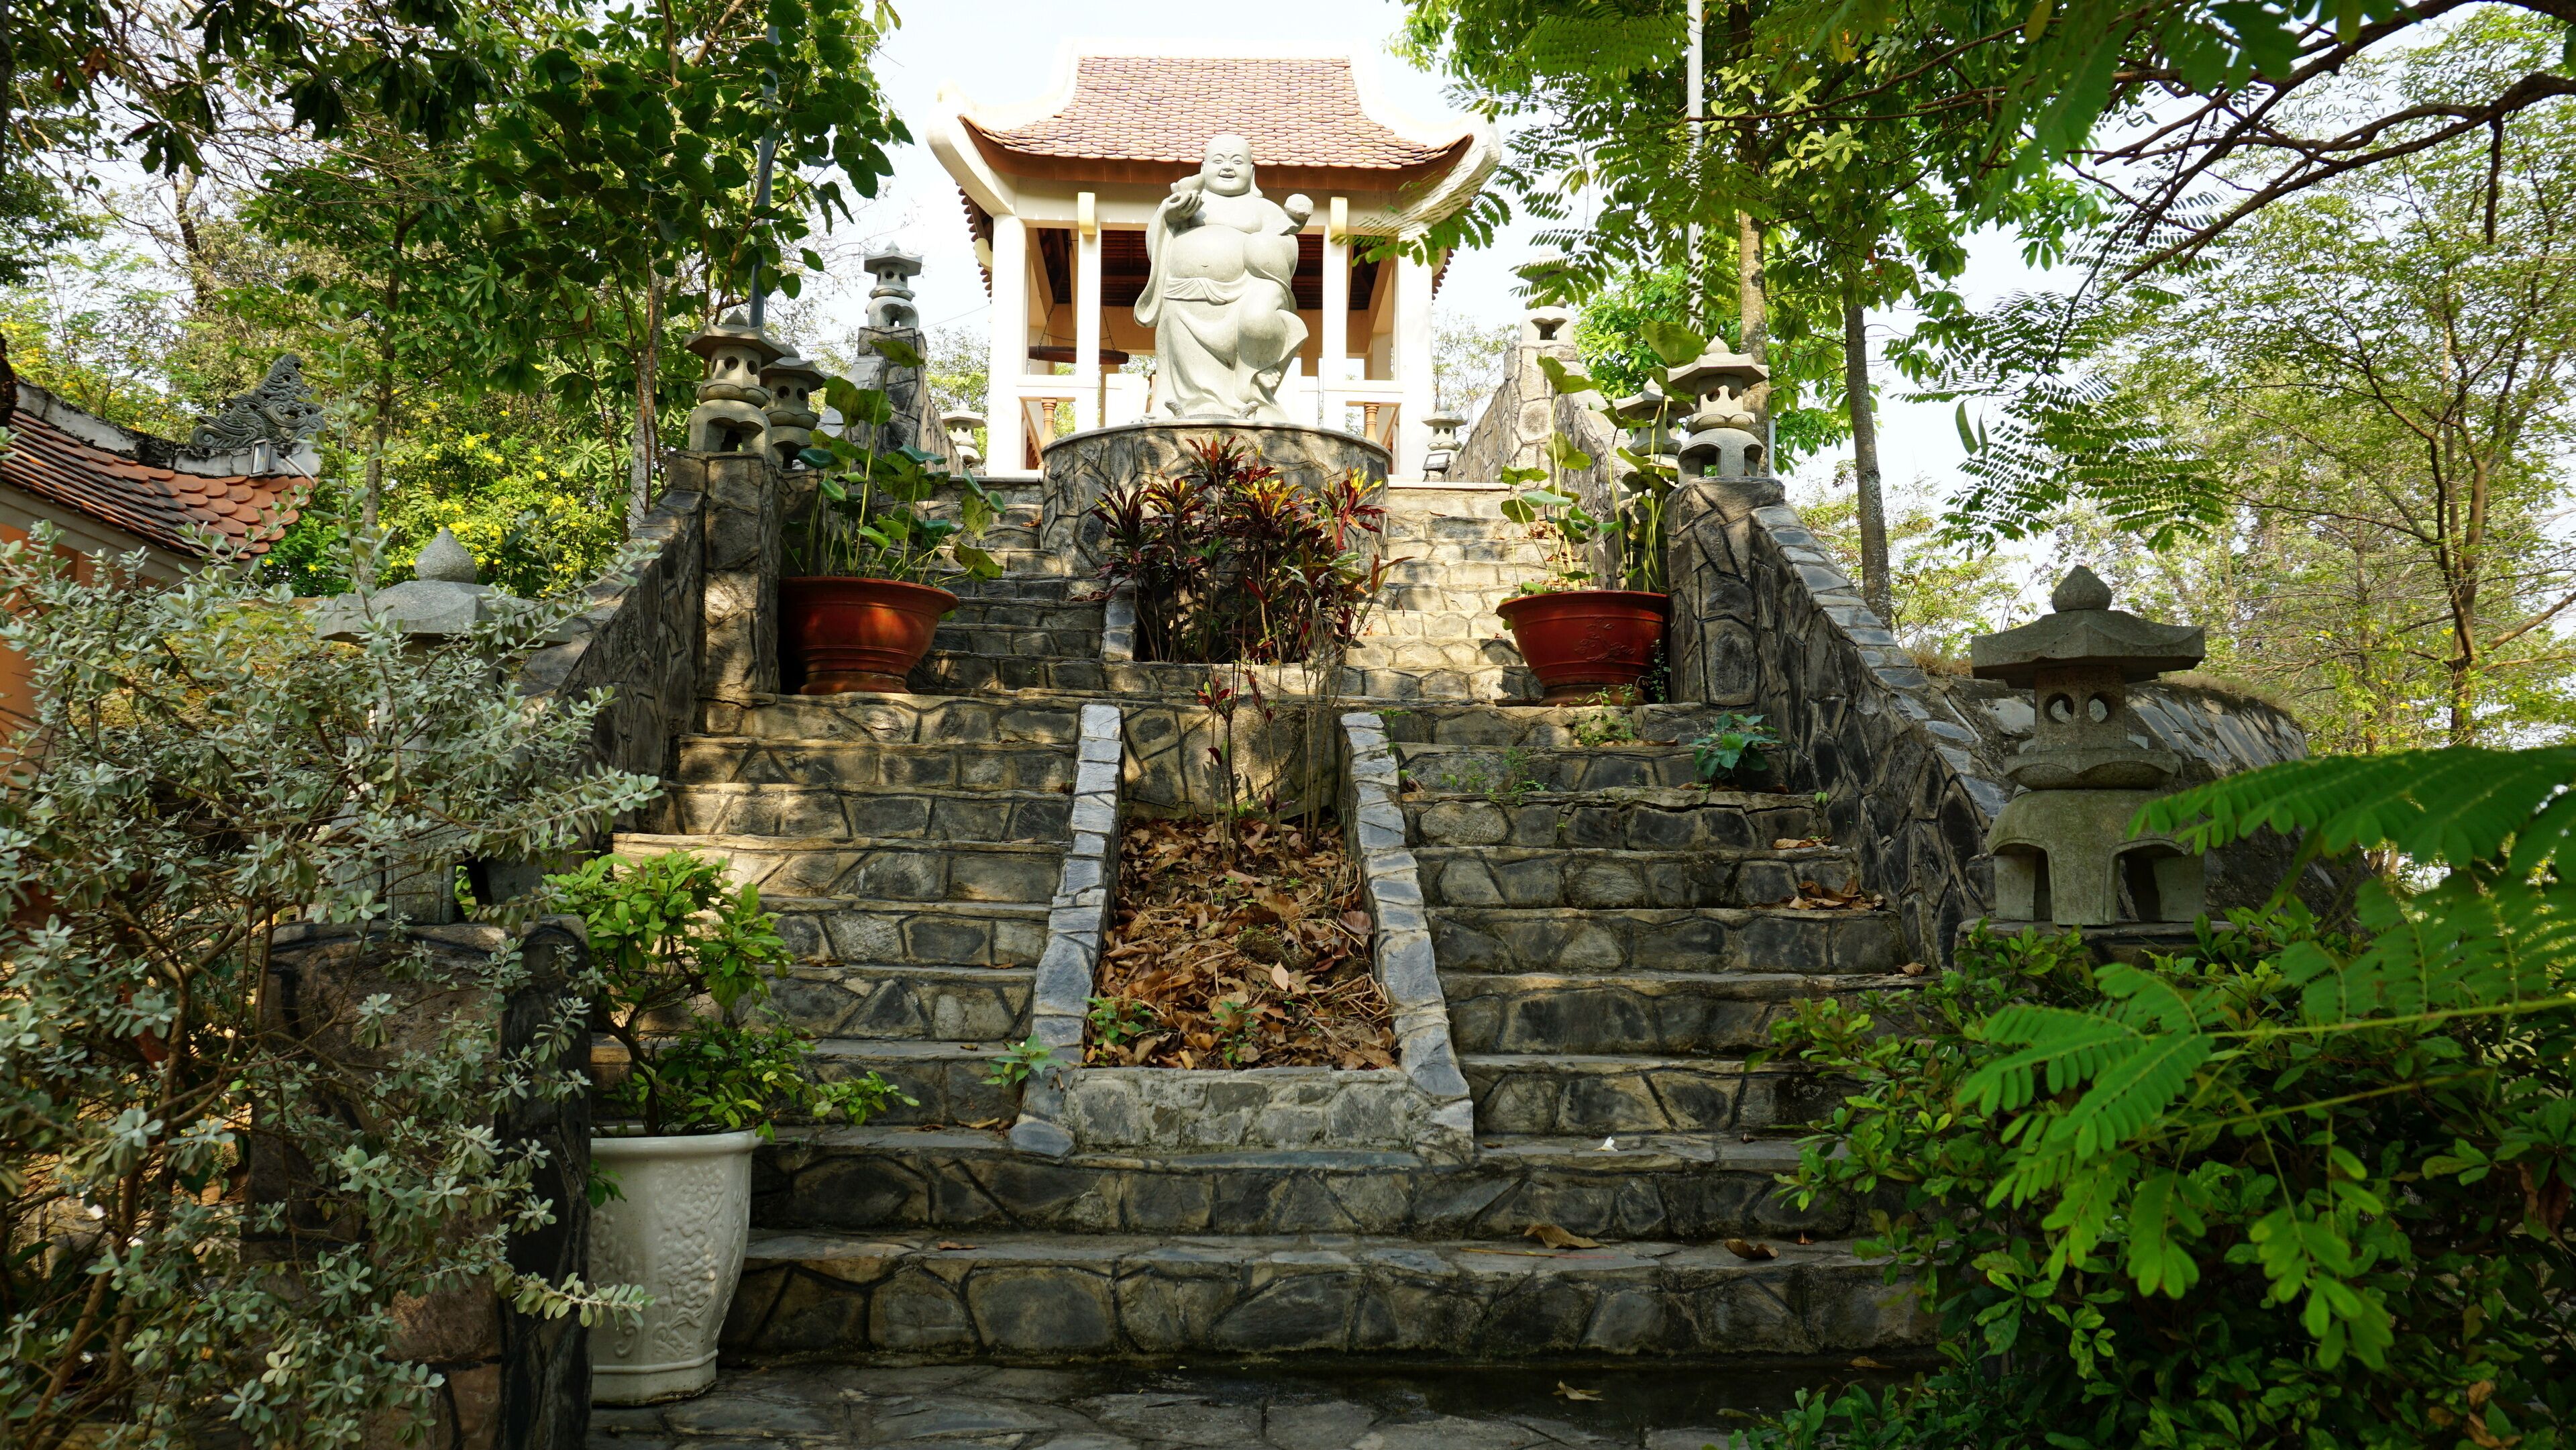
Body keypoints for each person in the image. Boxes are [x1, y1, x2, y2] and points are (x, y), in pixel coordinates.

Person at [1135, 134, 1312, 421]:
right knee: (1175, 322)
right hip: (1181, 297)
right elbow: (1155, 240)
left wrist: (1264, 248)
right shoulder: (1190, 202)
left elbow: (1287, 255)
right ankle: (1192, 403)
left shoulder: (1265, 209)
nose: (1227, 167)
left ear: (1252, 173)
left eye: (1237, 161)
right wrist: (1169, 217)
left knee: (1258, 318)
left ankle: (1249, 389)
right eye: (1218, 160)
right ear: (1203, 168)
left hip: (1243, 293)